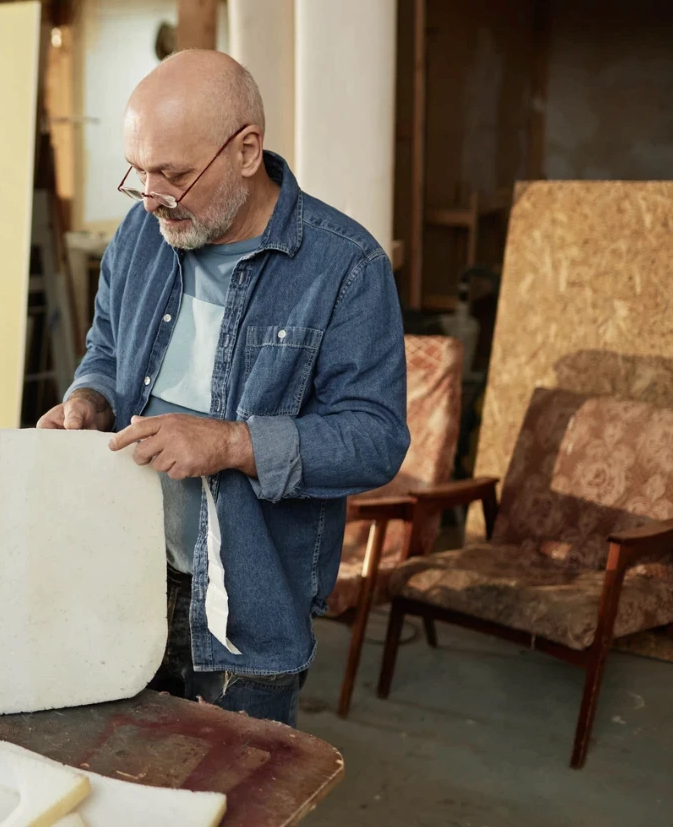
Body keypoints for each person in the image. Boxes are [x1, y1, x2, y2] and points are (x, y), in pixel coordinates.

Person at [37, 50, 409, 726]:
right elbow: (108, 347)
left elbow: (375, 440)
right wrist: (90, 398)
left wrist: (233, 443)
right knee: (125, 774)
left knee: (238, 796)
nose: (152, 196)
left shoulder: (345, 267)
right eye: (140, 172)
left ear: (246, 150)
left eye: (174, 174)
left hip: (249, 600)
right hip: (128, 571)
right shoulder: (143, 233)